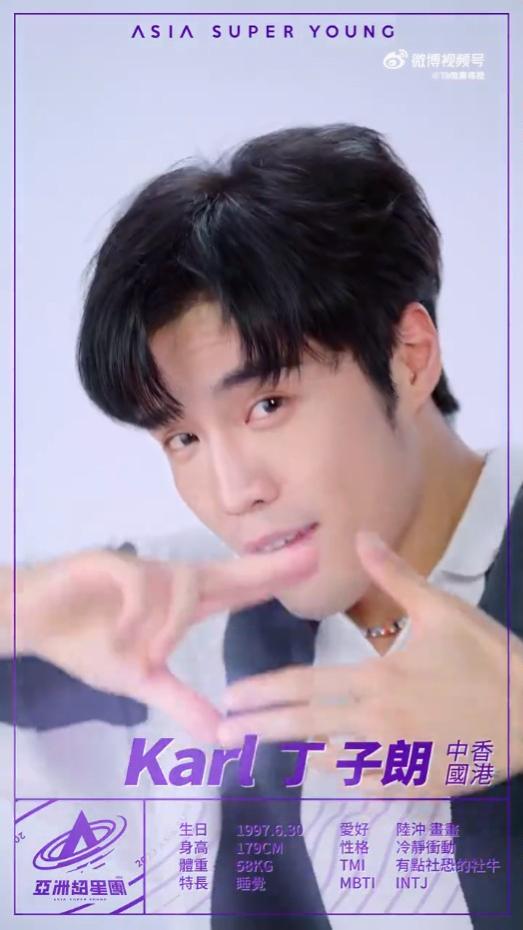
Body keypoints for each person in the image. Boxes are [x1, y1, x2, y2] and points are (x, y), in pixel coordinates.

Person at [2, 124, 522, 928]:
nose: (233, 491)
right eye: (181, 438)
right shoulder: (164, 620)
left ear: (408, 357)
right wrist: (22, 607)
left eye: (267, 405)